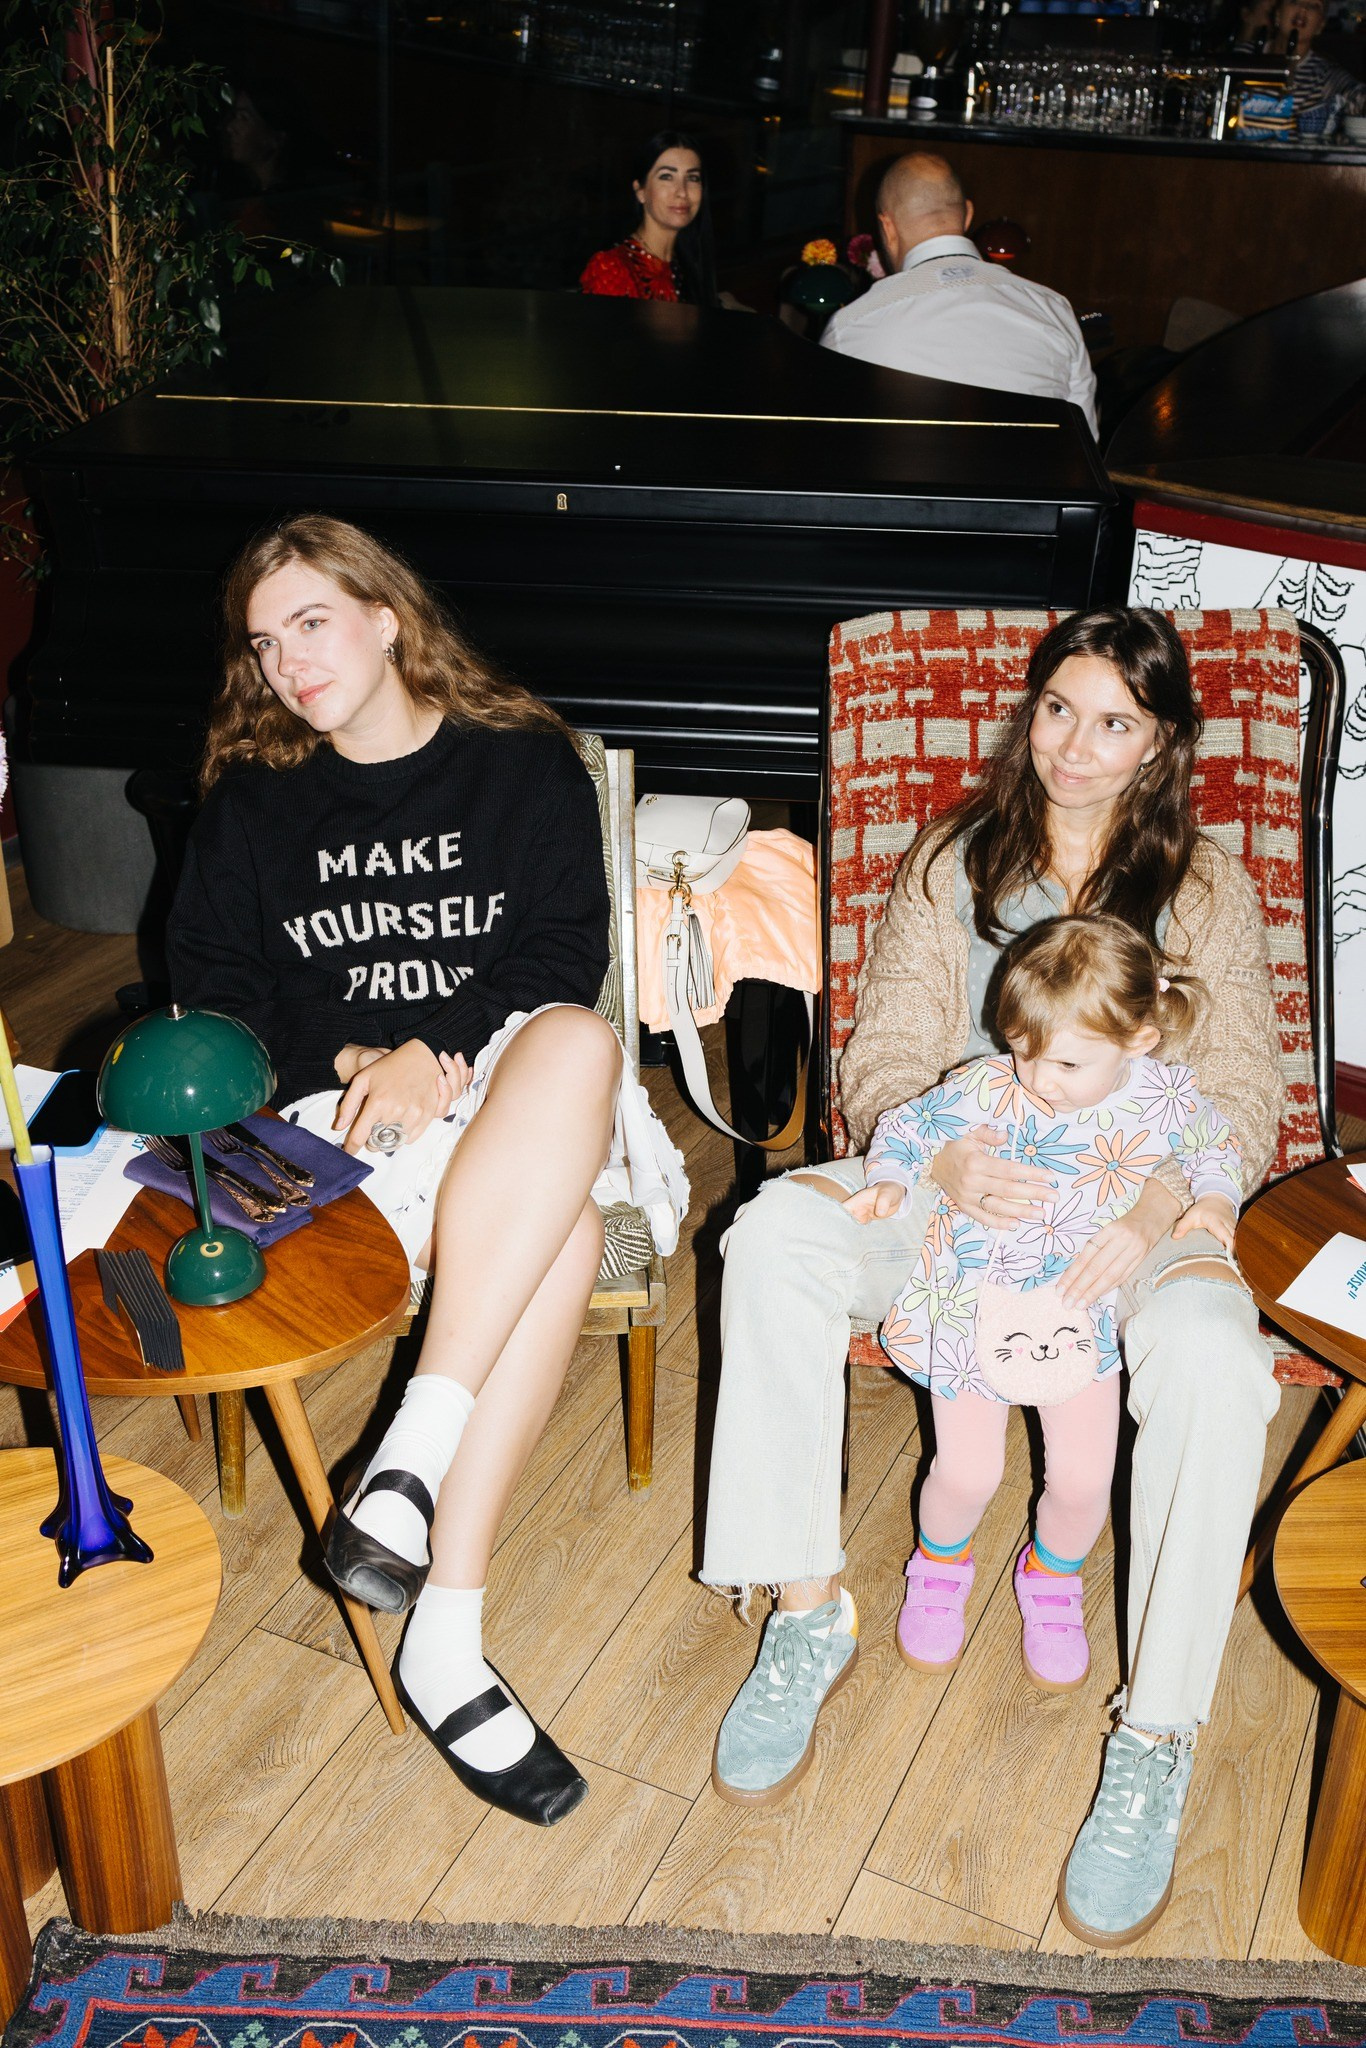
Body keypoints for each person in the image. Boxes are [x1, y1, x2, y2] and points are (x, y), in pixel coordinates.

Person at [702, 606, 1285, 1951]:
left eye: (1113, 723)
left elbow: (1243, 1087)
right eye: (1057, 710)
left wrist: (1157, 1207)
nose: (1073, 746)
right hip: (951, 1187)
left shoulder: (1205, 890)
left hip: (1127, 1212)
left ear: (1159, 745)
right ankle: (804, 1610)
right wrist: (948, 1155)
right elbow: (886, 1054)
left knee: (1215, 1354)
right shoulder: (951, 861)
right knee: (772, 1237)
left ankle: (1155, 1734)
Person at [168, 515, 648, 1830]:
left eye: (311, 622)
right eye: (265, 643)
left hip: (508, 1082)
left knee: (576, 1038)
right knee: (557, 1233)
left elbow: (562, 951)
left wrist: (440, 1053)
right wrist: (356, 1057)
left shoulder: (521, 762)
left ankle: (408, 1467)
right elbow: (215, 995)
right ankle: (445, 1622)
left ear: (386, 616)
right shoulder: (252, 803)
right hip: (333, 1123)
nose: (288, 663)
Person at [856, 914, 1242, 1690]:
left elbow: (1215, 1146)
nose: (1038, 1077)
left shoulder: (1163, 1097)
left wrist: (1216, 1200)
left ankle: (1053, 1578)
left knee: (1083, 1480)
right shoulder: (987, 1087)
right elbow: (906, 1125)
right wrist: (893, 1177)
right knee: (966, 1473)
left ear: (1138, 1040)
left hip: (1080, 1315)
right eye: (1023, 1048)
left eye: (1066, 1061)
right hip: (971, 1304)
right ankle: (939, 1567)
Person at [821, 153, 1098, 440]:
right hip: (1033, 469)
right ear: (967, 214)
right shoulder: (1053, 308)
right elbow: (1085, 444)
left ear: (887, 227)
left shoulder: (850, 327)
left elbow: (828, 445)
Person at [580, 131, 717, 304]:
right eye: (667, 177)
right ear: (640, 191)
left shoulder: (691, 265)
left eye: (692, 178)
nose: (682, 192)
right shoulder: (612, 269)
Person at [1270, 0, 1366, 122]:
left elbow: (1357, 97)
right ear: (1278, 13)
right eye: (1295, 1)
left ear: (1321, 25)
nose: (1303, 9)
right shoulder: (1249, 55)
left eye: (1314, 6)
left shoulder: (1324, 74)